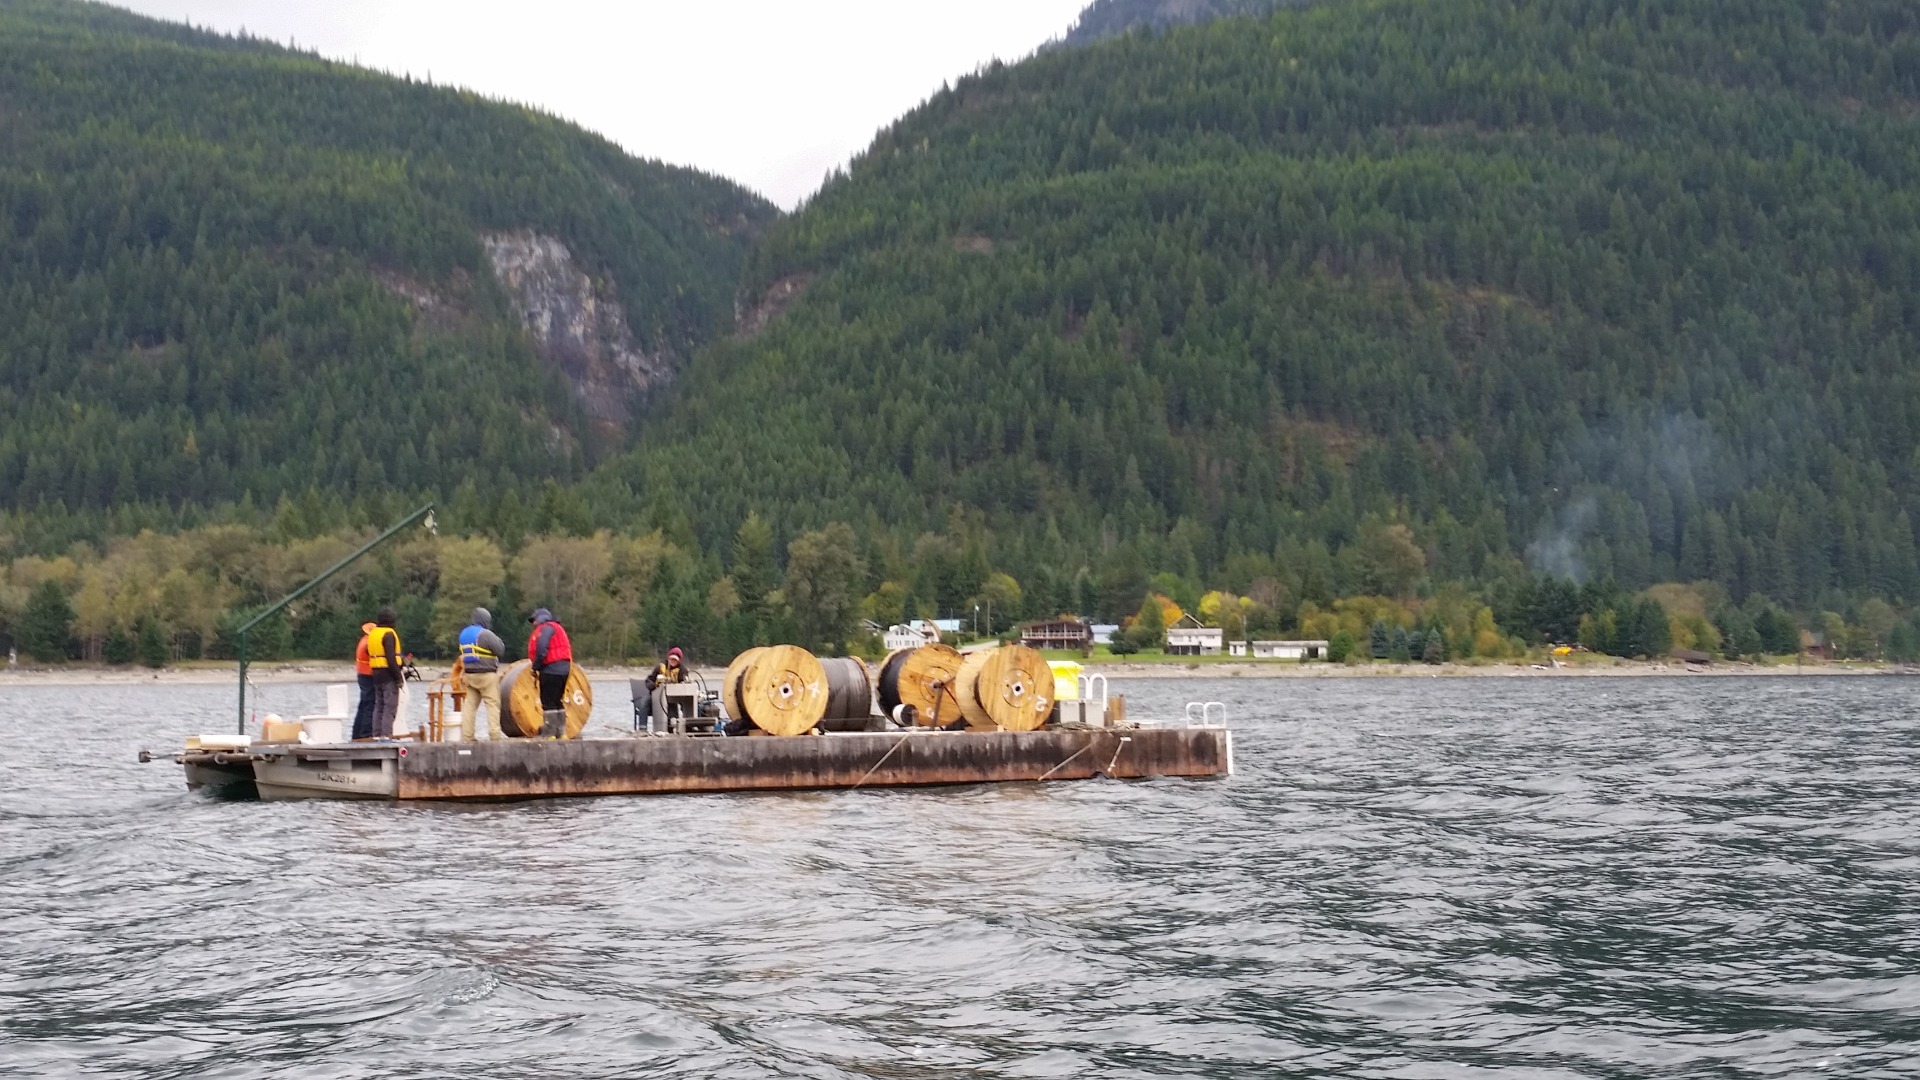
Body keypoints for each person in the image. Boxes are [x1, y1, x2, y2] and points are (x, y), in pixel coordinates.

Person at [457, 608, 508, 741]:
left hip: (469, 675)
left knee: (470, 706)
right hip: (486, 675)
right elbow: (500, 650)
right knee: (492, 704)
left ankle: (467, 737)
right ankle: (494, 735)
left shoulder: (463, 634)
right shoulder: (485, 634)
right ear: (485, 620)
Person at [526, 608, 572, 738]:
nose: (533, 624)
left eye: (534, 620)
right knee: (558, 700)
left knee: (548, 701)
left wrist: (535, 667)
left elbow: (541, 650)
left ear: (541, 618)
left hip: (551, 668)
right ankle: (561, 733)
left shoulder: (545, 628)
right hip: (564, 668)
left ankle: (550, 733)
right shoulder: (557, 628)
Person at [366, 607, 403, 738]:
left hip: (376, 673)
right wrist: (399, 678)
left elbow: (368, 652)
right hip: (388, 674)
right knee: (390, 706)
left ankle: (376, 735)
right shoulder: (389, 634)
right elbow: (390, 658)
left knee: (379, 706)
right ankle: (386, 736)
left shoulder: (373, 634)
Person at [641, 647, 688, 731]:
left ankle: (679, 727)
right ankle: (642, 727)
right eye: (671, 659)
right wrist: (653, 686)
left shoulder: (682, 670)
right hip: (657, 693)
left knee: (678, 705)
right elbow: (649, 680)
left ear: (679, 660)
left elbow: (684, 683)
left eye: (675, 660)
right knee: (644, 702)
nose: (673, 661)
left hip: (674, 695)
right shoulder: (660, 667)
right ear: (668, 658)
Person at [350, 621, 378, 740]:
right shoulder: (368, 643)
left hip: (362, 674)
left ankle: (356, 734)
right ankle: (366, 734)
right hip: (368, 675)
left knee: (363, 704)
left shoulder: (363, 640)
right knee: (369, 704)